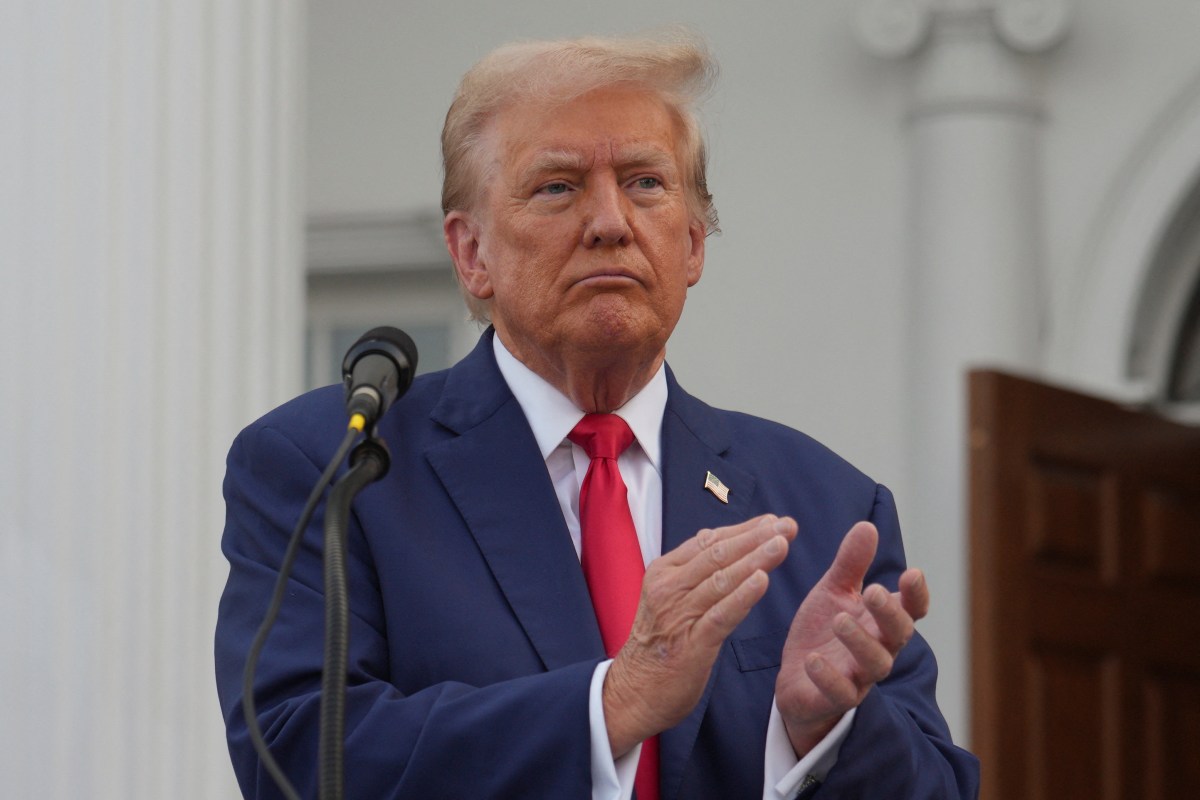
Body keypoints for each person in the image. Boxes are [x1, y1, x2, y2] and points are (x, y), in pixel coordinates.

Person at [215, 31, 980, 799]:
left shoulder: (825, 508)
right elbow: (298, 756)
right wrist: (610, 706)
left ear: (690, 245)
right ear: (471, 251)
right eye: (558, 186)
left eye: (646, 183)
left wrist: (820, 733)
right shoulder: (337, 470)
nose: (611, 221)